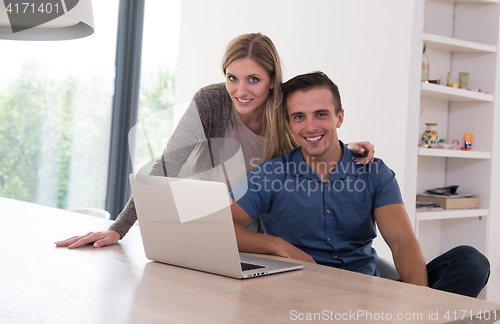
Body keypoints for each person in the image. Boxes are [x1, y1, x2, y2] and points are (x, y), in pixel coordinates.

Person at [55, 33, 374, 249]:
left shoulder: (287, 113)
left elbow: (315, 137)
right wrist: (118, 228)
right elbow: (166, 165)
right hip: (186, 224)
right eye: (232, 77)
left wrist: (348, 149)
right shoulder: (211, 101)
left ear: (273, 81)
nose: (241, 91)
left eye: (253, 79)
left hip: (243, 239)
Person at [229, 71, 490, 298]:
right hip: (299, 298)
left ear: (339, 117)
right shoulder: (272, 175)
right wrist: (277, 245)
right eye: (299, 117)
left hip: (368, 295)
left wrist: (416, 302)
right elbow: (219, 226)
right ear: (288, 123)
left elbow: (401, 241)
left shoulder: (373, 171)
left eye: (321, 114)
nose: (310, 126)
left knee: (471, 261)